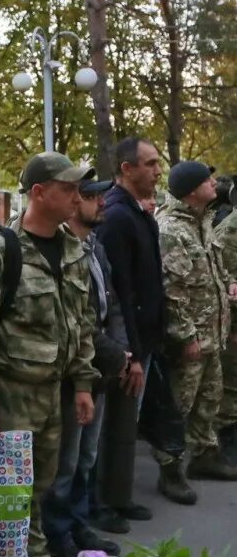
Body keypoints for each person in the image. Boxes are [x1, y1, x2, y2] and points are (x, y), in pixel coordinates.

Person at [0, 152, 98, 557]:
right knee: (1, 494)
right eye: (69, 189)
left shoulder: (74, 249)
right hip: (9, 392)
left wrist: (83, 382)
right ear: (40, 192)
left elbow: (81, 324)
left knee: (39, 489)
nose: (77, 198)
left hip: (53, 392)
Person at [42, 177, 127, 557]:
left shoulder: (95, 247)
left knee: (86, 457)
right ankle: (56, 534)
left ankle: (77, 524)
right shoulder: (61, 250)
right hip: (77, 370)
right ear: (74, 204)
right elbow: (77, 320)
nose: (99, 203)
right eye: (92, 197)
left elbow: (112, 306)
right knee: (66, 461)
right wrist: (114, 353)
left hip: (100, 368)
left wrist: (121, 351)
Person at [95, 137, 174, 519]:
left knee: (126, 424)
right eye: (151, 163)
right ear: (127, 168)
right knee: (114, 425)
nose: (158, 171)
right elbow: (119, 292)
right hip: (125, 345)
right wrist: (130, 353)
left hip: (142, 340)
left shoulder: (136, 213)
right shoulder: (116, 216)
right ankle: (105, 502)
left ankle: (117, 498)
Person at [157, 161, 237, 480]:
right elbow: (171, 290)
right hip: (192, 337)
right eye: (208, 180)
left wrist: (229, 283)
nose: (215, 183)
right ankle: (170, 467)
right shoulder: (172, 229)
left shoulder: (201, 221)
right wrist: (186, 336)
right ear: (192, 191)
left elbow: (213, 270)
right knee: (180, 403)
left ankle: (204, 456)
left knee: (209, 397)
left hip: (213, 331)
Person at [212, 181, 237, 465]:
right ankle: (225, 442)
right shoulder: (230, 231)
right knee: (230, 389)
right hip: (232, 328)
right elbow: (225, 282)